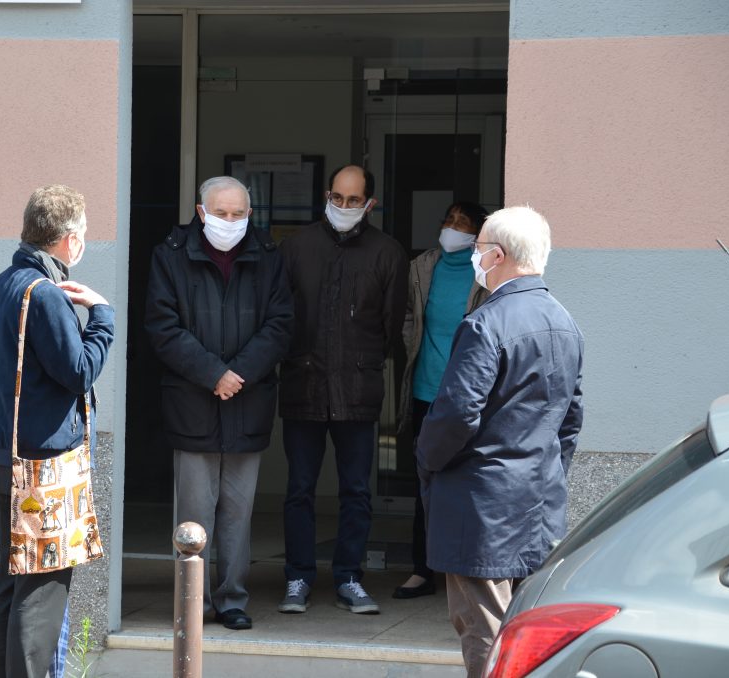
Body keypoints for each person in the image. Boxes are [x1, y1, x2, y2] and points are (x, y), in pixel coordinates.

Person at [415, 205, 583, 677]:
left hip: (480, 503)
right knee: (528, 631)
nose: (474, 255)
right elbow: (570, 419)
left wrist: (426, 459)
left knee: (485, 633)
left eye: (478, 247)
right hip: (538, 499)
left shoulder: (485, 323)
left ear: (498, 255)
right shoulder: (564, 321)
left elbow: (455, 414)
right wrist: (544, 471)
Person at [0, 185, 114, 678]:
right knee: (39, 597)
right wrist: (103, 317)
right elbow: (78, 371)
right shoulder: (45, 294)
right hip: (44, 469)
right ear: (69, 239)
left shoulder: (0, 286)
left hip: (6, 458)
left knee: (11, 587)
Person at [145, 176, 293, 631]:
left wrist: (238, 375)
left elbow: (281, 323)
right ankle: (193, 600)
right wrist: (214, 374)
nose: (231, 222)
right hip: (193, 402)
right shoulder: (170, 255)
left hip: (248, 401)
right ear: (201, 211)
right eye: (222, 213)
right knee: (193, 511)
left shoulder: (268, 257)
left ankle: (232, 599)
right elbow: (162, 327)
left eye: (239, 214)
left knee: (237, 512)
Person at [277, 165, 408, 615]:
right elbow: (281, 316)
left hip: (357, 388)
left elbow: (392, 328)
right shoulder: (296, 248)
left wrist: (360, 361)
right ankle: (297, 577)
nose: (345, 207)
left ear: (369, 203)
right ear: (326, 196)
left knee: (357, 491)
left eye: (354, 200)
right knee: (300, 490)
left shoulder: (387, 252)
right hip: (303, 385)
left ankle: (349, 577)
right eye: (338, 197)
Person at [394, 201, 489, 600]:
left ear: (477, 234)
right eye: (447, 220)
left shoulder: (485, 272)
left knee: (467, 483)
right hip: (425, 391)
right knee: (426, 480)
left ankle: (467, 570)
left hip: (466, 395)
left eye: (461, 224)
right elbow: (409, 318)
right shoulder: (422, 266)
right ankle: (422, 568)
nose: (451, 229)